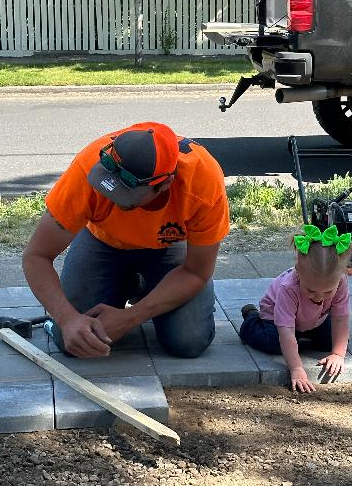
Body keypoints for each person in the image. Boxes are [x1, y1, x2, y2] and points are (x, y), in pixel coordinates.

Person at [22, 121, 229, 359]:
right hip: (103, 242)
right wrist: (67, 319)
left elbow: (196, 272)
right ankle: (127, 284)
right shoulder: (87, 166)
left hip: (168, 246)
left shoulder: (202, 181)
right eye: (109, 187)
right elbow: (36, 256)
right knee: (75, 343)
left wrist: (132, 317)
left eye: (126, 194)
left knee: (188, 342)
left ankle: (143, 288)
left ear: (165, 183)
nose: (113, 197)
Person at [239, 224, 352, 393]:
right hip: (275, 316)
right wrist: (296, 368)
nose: (319, 296)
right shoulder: (288, 287)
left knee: (331, 341)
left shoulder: (341, 282)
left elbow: (341, 318)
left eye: (327, 291)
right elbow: (285, 331)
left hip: (313, 319)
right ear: (298, 272)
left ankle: (302, 335)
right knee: (275, 344)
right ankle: (251, 318)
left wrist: (338, 354)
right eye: (311, 291)